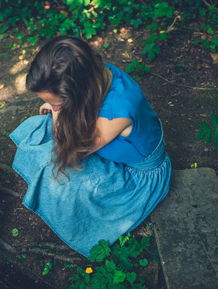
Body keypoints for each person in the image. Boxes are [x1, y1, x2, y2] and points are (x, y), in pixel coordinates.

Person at [10, 36, 172, 257]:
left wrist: (57, 110)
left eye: (58, 101)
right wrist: (57, 104)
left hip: (138, 174)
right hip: (108, 145)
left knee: (62, 185)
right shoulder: (95, 74)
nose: (54, 105)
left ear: (75, 92)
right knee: (37, 128)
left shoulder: (118, 112)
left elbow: (67, 149)